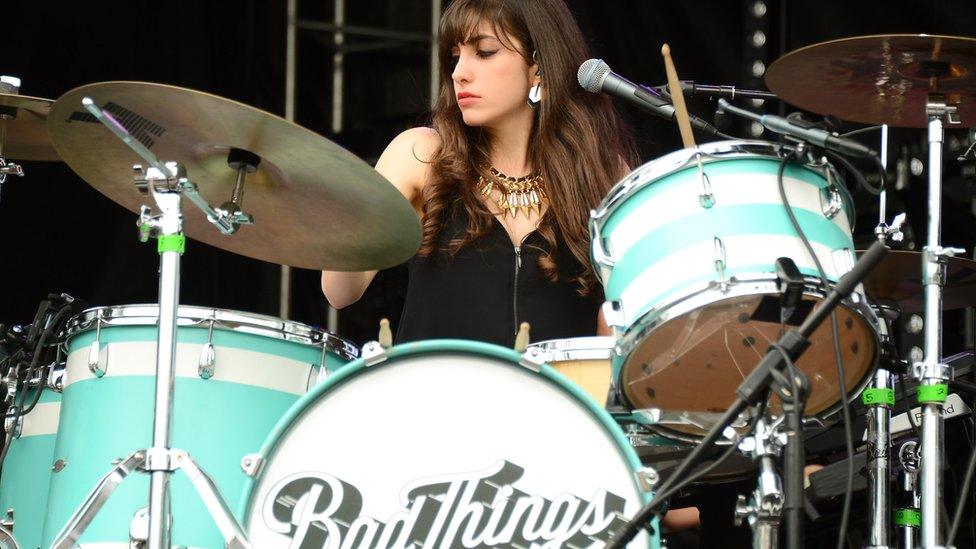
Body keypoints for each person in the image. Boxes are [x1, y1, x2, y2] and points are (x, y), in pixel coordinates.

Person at [321, 0, 635, 346]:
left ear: (539, 68)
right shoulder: (422, 156)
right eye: (455, 56)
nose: (459, 73)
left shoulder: (604, 177)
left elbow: (619, 340)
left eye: (484, 52)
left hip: (552, 399)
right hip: (429, 395)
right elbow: (339, 292)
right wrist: (339, 207)